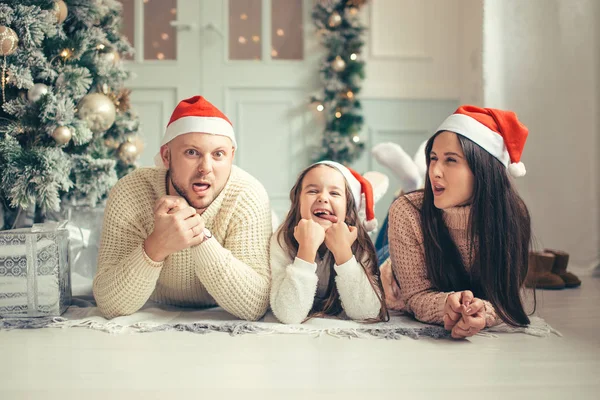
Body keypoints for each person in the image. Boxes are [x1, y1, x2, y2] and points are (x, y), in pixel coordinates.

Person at [93, 96, 272, 321]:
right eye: (192, 153)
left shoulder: (248, 194)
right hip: (153, 315)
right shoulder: (132, 191)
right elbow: (110, 305)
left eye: (218, 154)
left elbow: (254, 305)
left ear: (231, 157)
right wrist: (156, 246)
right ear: (167, 156)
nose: (205, 168)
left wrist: (199, 235)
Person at [382, 105, 532, 339]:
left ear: (483, 170)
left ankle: (411, 180)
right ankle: (409, 182)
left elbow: (507, 299)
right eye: (433, 159)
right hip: (392, 270)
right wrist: (446, 306)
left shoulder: (513, 215)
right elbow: (415, 296)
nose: (436, 171)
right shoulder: (407, 212)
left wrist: (482, 312)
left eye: (450, 160)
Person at [270, 161, 388, 324]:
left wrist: (343, 252)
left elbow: (366, 312)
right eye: (313, 191)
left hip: (381, 260)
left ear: (348, 208)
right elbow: (289, 315)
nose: (323, 198)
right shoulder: (283, 238)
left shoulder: (359, 241)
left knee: (388, 252)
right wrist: (306, 249)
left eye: (334, 193)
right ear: (298, 203)